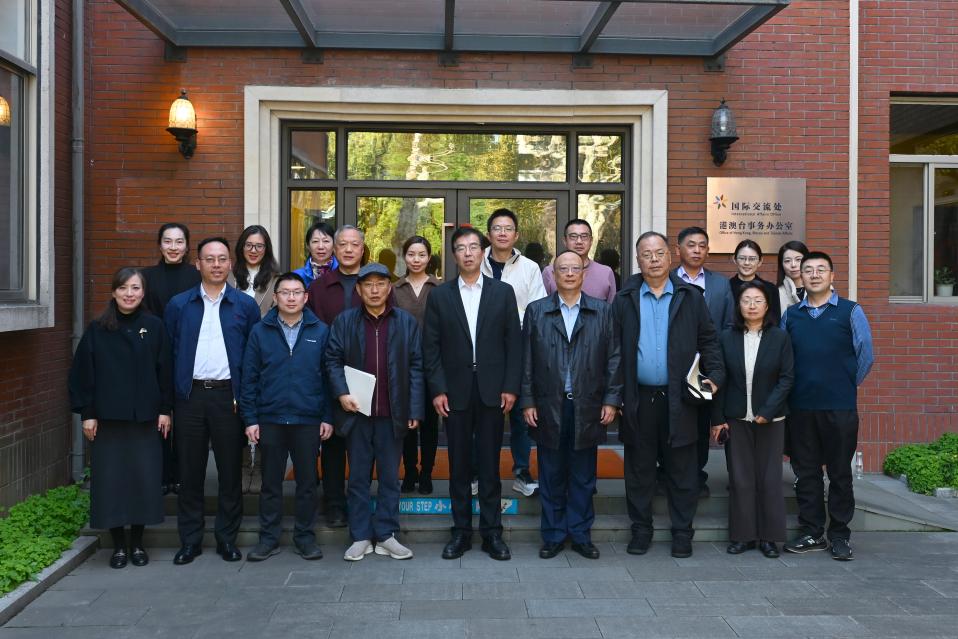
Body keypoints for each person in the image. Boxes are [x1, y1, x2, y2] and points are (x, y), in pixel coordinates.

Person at [613, 231, 724, 558]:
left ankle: (682, 533)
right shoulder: (625, 298)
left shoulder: (690, 297)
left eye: (659, 253)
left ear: (670, 256)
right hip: (638, 399)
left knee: (683, 470)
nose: (654, 259)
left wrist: (716, 377)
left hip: (681, 399)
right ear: (638, 259)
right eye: (646, 254)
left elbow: (709, 341)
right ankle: (641, 530)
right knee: (639, 470)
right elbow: (613, 350)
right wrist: (615, 395)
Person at [424, 227, 522, 561]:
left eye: (473, 247)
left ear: (483, 252)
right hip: (455, 393)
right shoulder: (440, 296)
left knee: (491, 466)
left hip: (493, 392)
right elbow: (431, 348)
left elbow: (513, 344)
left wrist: (510, 387)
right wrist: (438, 389)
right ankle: (461, 532)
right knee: (459, 466)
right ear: (454, 255)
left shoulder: (503, 292)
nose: (468, 253)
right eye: (461, 248)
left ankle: (492, 533)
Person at [164, 237, 261, 565]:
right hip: (189, 397)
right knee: (190, 472)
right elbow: (169, 354)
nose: (216, 264)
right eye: (210, 259)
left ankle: (226, 539)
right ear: (198, 264)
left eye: (222, 259)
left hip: (228, 398)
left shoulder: (245, 306)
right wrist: (168, 404)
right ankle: (190, 540)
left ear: (230, 264)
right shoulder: (179, 305)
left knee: (230, 473)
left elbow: (253, 358)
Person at [521, 250, 622, 560]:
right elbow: (526, 360)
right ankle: (553, 535)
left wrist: (611, 399)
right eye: (562, 268)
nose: (568, 273)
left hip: (587, 405)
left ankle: (580, 534)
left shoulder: (602, 311)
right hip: (548, 405)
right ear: (552, 275)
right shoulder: (537, 311)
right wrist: (528, 400)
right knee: (550, 473)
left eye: (574, 268)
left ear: (583, 273)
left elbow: (614, 358)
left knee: (583, 475)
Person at [69, 267, 172, 569]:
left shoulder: (154, 326)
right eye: (123, 288)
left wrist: (165, 409)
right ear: (114, 292)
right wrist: (87, 414)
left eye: (135, 288)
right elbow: (82, 374)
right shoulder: (98, 329)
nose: (129, 294)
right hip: (108, 420)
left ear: (143, 293)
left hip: (145, 419)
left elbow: (165, 371)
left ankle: (137, 543)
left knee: (143, 480)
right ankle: (118, 546)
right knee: (111, 482)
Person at [325, 263, 424, 562]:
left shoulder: (405, 322)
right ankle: (360, 536)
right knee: (357, 477)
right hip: (357, 413)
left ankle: (386, 534)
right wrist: (342, 393)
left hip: (393, 413)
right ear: (358, 289)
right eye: (368, 284)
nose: (375, 290)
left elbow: (416, 366)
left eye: (381, 283)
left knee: (390, 477)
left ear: (389, 287)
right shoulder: (345, 321)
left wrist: (414, 408)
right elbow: (332, 359)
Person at [781, 251, 874, 561]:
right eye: (808, 269)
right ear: (801, 277)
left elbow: (865, 354)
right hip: (801, 408)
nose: (814, 274)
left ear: (832, 276)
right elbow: (783, 359)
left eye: (821, 269)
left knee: (839, 473)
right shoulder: (791, 315)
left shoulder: (850, 311)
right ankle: (812, 532)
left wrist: (843, 384)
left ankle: (839, 535)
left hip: (839, 408)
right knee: (806, 473)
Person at [240, 272, 334, 562]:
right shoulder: (260, 331)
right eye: (285, 292)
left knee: (307, 484)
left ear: (306, 297)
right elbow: (249, 378)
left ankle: (305, 537)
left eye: (296, 293)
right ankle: (268, 538)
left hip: (308, 419)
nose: (291, 298)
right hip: (271, 418)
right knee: (270, 484)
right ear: (276, 297)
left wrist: (327, 417)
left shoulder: (321, 331)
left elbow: (329, 379)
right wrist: (250, 418)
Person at [710, 281, 793, 558]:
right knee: (741, 478)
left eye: (758, 300)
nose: (752, 305)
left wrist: (768, 410)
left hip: (772, 418)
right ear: (738, 305)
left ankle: (769, 538)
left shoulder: (780, 337)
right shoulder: (726, 337)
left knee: (770, 478)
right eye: (746, 300)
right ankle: (743, 536)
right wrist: (718, 418)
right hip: (735, 417)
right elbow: (719, 379)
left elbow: (787, 378)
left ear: (767, 306)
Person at [479, 208, 547, 498]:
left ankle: (521, 471)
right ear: (489, 234)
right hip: (483, 351)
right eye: (497, 228)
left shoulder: (530, 268)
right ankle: (479, 472)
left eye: (508, 228)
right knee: (483, 416)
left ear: (516, 235)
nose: (503, 233)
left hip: (519, 348)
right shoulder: (475, 262)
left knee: (521, 415)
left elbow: (537, 309)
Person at [306, 225, 367, 528]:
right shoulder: (319, 288)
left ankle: (359, 503)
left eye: (354, 245)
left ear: (362, 249)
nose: (348, 249)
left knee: (362, 447)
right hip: (328, 376)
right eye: (342, 244)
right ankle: (334, 504)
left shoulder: (374, 284)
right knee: (331, 445)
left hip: (366, 378)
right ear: (334, 249)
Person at [672, 226, 734, 497]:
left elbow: (729, 323)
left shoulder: (720, 284)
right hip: (674, 364)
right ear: (678, 249)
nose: (697, 250)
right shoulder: (668, 280)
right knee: (673, 420)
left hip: (708, 365)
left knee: (700, 422)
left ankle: (697, 476)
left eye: (702, 245)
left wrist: (717, 360)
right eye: (691, 245)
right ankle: (670, 475)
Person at [141, 222, 201, 496]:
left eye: (179, 242)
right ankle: (163, 473)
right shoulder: (146, 277)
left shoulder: (196, 276)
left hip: (190, 354)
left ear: (187, 246)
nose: (173, 247)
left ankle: (181, 475)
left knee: (186, 419)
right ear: (159, 244)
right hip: (155, 355)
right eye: (168, 241)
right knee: (160, 415)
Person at [228, 225, 280, 496]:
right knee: (236, 412)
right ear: (241, 247)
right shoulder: (228, 276)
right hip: (232, 352)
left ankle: (258, 468)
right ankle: (240, 468)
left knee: (261, 409)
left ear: (266, 249)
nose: (253, 250)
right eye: (249, 245)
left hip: (265, 353)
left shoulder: (276, 280)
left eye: (259, 246)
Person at [393, 236, 442, 495]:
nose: (416, 259)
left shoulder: (440, 288)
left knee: (430, 424)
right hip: (402, 365)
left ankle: (426, 473)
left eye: (421, 255)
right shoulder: (394, 289)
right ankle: (410, 471)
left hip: (433, 365)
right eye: (411, 254)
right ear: (404, 256)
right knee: (406, 423)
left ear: (429, 258)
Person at [542, 219, 617, 303]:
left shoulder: (606, 272)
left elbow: (612, 309)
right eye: (573, 236)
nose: (579, 241)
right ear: (565, 241)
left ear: (591, 241)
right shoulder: (550, 272)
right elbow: (541, 307)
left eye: (584, 236)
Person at [728, 239, 781, 320]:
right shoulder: (725, 287)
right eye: (742, 258)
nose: (747, 263)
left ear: (760, 261)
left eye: (752, 259)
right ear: (734, 259)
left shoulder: (770, 289)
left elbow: (774, 321)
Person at [293, 221, 338, 289]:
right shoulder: (297, 276)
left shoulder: (343, 273)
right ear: (308, 246)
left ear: (334, 245)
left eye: (326, 241)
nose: (320, 246)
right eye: (315, 241)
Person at [777, 240, 809, 316]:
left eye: (798, 260)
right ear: (781, 265)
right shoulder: (776, 293)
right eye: (787, 261)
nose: (793, 265)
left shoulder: (821, 289)